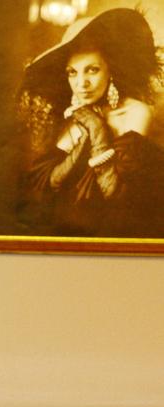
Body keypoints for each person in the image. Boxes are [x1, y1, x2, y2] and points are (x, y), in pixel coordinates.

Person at [17, 8, 164, 237]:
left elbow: (117, 196)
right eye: (72, 73)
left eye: (92, 70)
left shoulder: (135, 112)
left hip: (117, 237)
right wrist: (84, 133)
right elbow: (46, 186)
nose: (81, 83)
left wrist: (97, 129)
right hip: (65, 236)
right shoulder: (73, 118)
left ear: (111, 70)